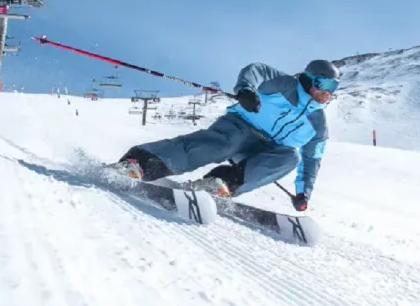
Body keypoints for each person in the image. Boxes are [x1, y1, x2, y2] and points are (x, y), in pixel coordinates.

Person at [112, 59, 340, 211]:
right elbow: (256, 70)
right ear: (310, 79)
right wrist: (246, 90)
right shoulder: (284, 84)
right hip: (241, 126)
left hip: (264, 150)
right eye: (325, 83)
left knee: (291, 157)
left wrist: (304, 193)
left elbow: (313, 160)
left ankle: (219, 184)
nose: (328, 92)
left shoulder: (318, 125)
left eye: (334, 87)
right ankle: (140, 162)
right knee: (220, 145)